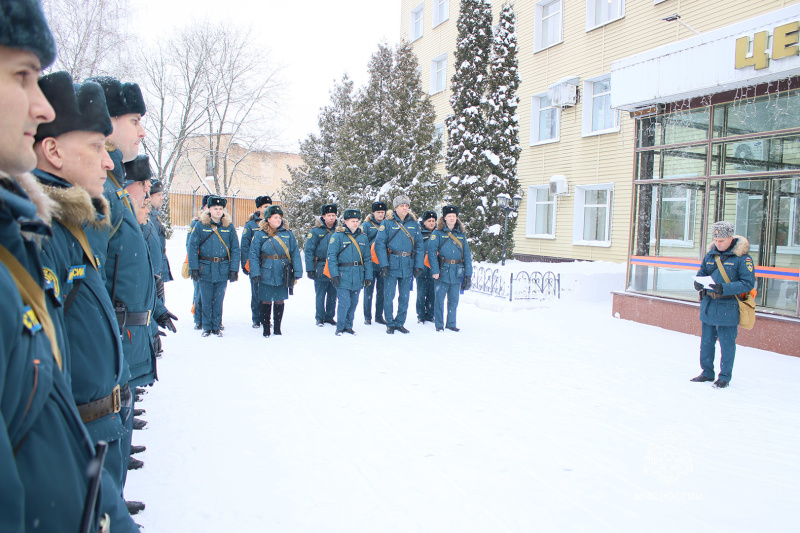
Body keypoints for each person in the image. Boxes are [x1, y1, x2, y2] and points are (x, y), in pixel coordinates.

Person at [0, 4, 126, 529]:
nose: (40, 107)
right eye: (21, 76)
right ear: (52, 153)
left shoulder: (26, 226)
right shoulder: (38, 233)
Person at [31, 70, 142, 531]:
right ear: (53, 150)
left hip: (98, 430)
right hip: (77, 438)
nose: (109, 164)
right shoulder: (40, 235)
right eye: (96, 148)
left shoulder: (69, 223)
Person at [691, 221, 755, 388]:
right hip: (709, 304)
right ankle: (706, 373)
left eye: (721, 241)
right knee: (706, 342)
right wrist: (698, 283)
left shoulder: (742, 258)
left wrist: (724, 288)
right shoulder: (710, 255)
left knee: (727, 344)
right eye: (716, 240)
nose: (717, 244)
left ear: (730, 238)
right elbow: (702, 272)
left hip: (728, 306)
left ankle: (724, 377)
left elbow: (748, 283)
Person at [188, 195, 240, 336]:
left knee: (218, 299)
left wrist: (234, 269)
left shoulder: (228, 227)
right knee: (205, 299)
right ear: (209, 209)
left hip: (222, 267)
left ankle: (216, 326)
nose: (218, 211)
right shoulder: (200, 226)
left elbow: (235, 249)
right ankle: (206, 327)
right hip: (205, 266)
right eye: (215, 208)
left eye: (220, 208)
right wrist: (194, 268)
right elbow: (192, 247)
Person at [249, 205, 303, 337]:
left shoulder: (288, 234)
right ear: (268, 219)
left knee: (279, 300)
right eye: (275, 217)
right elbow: (253, 254)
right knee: (265, 300)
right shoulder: (260, 234)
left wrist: (298, 271)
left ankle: (277, 328)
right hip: (266, 270)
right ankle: (266, 327)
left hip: (282, 270)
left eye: (280, 217)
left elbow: (295, 252)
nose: (278, 220)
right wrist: (255, 272)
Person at [374, 195, 424, 334]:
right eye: (402, 206)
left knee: (404, 297)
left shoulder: (414, 224)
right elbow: (379, 244)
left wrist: (418, 265)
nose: (405, 208)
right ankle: (390, 322)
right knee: (389, 295)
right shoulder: (387, 223)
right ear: (396, 207)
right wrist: (383, 264)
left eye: (407, 206)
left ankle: (400, 322)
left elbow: (420, 246)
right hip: (392, 263)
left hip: (408, 264)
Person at [428, 205, 473, 332]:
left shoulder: (461, 234)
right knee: (439, 300)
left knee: (453, 300)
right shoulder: (437, 233)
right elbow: (431, 252)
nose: (452, 218)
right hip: (443, 270)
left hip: (457, 271)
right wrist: (435, 271)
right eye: (449, 216)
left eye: (454, 216)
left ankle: (451, 323)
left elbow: (467, 255)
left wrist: (468, 274)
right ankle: (439, 324)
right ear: (445, 218)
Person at [328, 209, 372, 336]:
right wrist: (334, 275)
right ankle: (340, 327)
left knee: (353, 302)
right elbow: (331, 257)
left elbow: (367, 259)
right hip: (343, 273)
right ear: (346, 221)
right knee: (344, 302)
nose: (355, 224)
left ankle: (349, 325)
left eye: (357, 221)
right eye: (353, 221)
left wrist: (368, 276)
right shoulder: (337, 236)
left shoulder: (363, 237)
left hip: (358, 274)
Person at [241, 194, 272, 328]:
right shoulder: (251, 225)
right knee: (256, 292)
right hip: (255, 263)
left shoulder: (273, 223)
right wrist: (245, 264)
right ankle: (256, 318)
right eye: (265, 206)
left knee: (269, 292)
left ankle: (267, 318)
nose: (268, 208)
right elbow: (244, 246)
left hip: (270, 264)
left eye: (270, 206)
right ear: (259, 208)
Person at [305, 203, 338, 327]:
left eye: (333, 215)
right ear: (323, 216)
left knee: (333, 293)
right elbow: (309, 250)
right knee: (320, 293)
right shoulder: (315, 231)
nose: (331, 218)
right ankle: (320, 317)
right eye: (329, 215)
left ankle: (330, 316)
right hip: (320, 264)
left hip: (334, 265)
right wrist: (310, 268)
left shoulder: (339, 230)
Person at [361, 200, 386, 325]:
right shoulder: (366, 225)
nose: (380, 214)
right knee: (368, 291)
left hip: (382, 262)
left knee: (381, 291)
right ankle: (367, 316)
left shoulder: (387, 224)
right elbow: (362, 242)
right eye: (378, 212)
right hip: (370, 263)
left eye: (382, 212)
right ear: (373, 213)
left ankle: (379, 316)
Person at [188, 194, 210, 330]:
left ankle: (212, 318)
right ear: (204, 207)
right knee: (199, 292)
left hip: (213, 265)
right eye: (209, 206)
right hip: (200, 263)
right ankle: (198, 318)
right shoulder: (196, 223)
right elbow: (189, 244)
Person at [147, 178, 173, 284]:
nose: (162, 198)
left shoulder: (155, 214)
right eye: (158, 195)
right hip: (153, 268)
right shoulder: (148, 217)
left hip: (157, 267)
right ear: (149, 196)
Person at [416, 210, 437, 324]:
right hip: (422, 268)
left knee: (432, 293)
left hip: (434, 268)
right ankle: (421, 315)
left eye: (433, 221)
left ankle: (430, 314)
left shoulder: (438, 233)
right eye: (429, 221)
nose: (431, 223)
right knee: (421, 292)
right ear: (424, 222)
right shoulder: (419, 233)